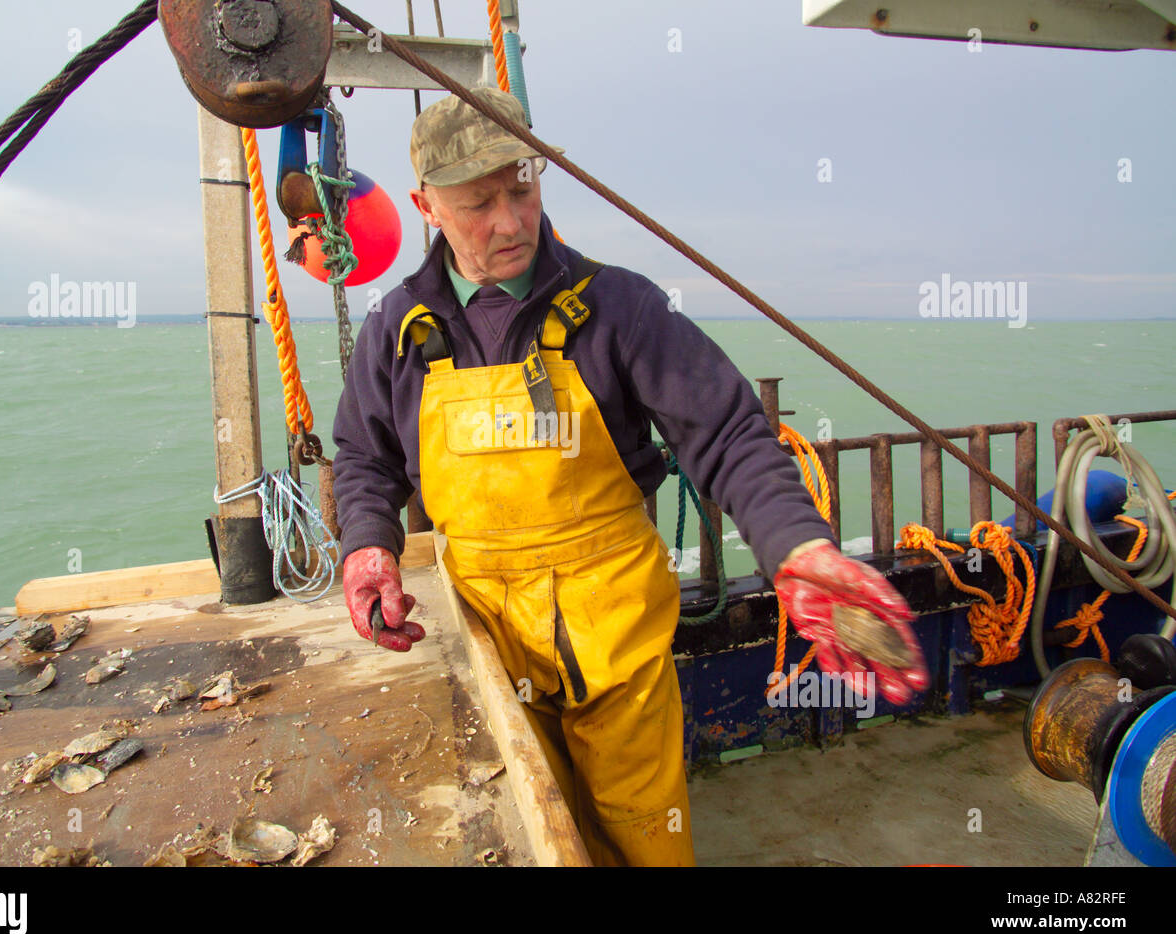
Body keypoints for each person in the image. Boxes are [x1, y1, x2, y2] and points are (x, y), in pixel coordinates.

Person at [331, 87, 928, 867]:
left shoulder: (618, 308)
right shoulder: (397, 330)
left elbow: (728, 432)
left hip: (617, 644)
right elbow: (363, 457)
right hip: (487, 639)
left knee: (646, 837)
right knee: (524, 830)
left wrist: (798, 550)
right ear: (425, 207)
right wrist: (369, 546)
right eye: (478, 202)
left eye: (523, 187)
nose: (510, 221)